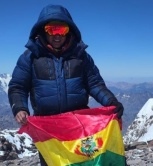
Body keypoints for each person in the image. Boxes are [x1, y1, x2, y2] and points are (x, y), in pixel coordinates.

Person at [8, 4, 124, 166]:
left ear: (70, 30)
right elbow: (18, 87)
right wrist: (19, 107)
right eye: (51, 29)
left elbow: (94, 84)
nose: (57, 35)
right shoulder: (30, 57)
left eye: (61, 30)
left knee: (82, 161)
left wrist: (111, 102)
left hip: (78, 125)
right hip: (47, 127)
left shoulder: (81, 56)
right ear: (42, 30)